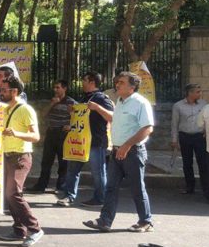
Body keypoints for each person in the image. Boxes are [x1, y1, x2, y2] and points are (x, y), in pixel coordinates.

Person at [84, 71, 154, 233]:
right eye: (117, 82)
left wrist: (127, 146)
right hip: (117, 151)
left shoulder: (140, 103)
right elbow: (114, 119)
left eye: (121, 82)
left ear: (132, 86)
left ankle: (145, 221)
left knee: (137, 188)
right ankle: (104, 221)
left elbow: (147, 128)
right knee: (111, 187)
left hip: (133, 151)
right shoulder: (121, 102)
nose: (117, 84)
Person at [0, 75, 44, 247]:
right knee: (10, 194)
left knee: (13, 193)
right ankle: (18, 229)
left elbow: (35, 136)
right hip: (7, 155)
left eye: (4, 90)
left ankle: (35, 229)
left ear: (14, 91)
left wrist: (15, 133)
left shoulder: (25, 110)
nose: (0, 93)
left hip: (20, 156)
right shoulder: (5, 109)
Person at [58, 72, 114, 207]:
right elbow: (81, 118)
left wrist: (98, 108)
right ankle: (68, 196)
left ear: (92, 82)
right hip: (79, 141)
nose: (81, 82)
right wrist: (72, 112)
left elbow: (112, 117)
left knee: (98, 172)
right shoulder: (84, 98)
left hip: (96, 141)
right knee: (72, 169)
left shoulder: (102, 98)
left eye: (84, 80)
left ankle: (100, 199)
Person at [28, 80, 76, 194]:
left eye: (58, 87)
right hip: (51, 133)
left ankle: (61, 186)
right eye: (54, 87)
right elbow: (43, 115)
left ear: (64, 88)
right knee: (46, 161)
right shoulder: (53, 100)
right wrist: (52, 104)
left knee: (63, 161)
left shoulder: (71, 102)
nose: (55, 90)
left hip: (63, 134)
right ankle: (41, 185)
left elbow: (78, 118)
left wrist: (70, 124)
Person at [171, 83, 208, 195]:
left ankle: (206, 188)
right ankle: (189, 187)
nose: (200, 94)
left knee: (203, 162)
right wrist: (174, 139)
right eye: (197, 92)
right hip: (185, 136)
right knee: (187, 163)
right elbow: (174, 123)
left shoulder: (203, 104)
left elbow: (207, 120)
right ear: (190, 93)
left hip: (199, 136)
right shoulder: (178, 106)